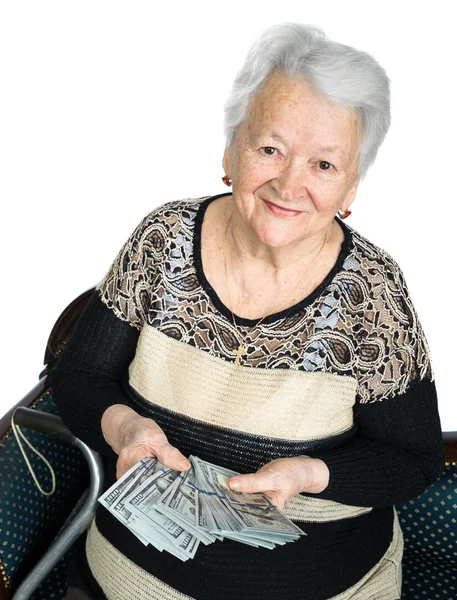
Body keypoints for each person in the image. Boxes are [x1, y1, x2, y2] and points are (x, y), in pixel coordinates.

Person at [52, 22, 445, 600]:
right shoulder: (162, 240)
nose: (289, 183)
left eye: (324, 165)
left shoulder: (374, 292)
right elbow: (78, 375)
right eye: (270, 149)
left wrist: (310, 474)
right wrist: (127, 427)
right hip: (128, 581)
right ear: (231, 150)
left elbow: (413, 458)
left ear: (351, 188)